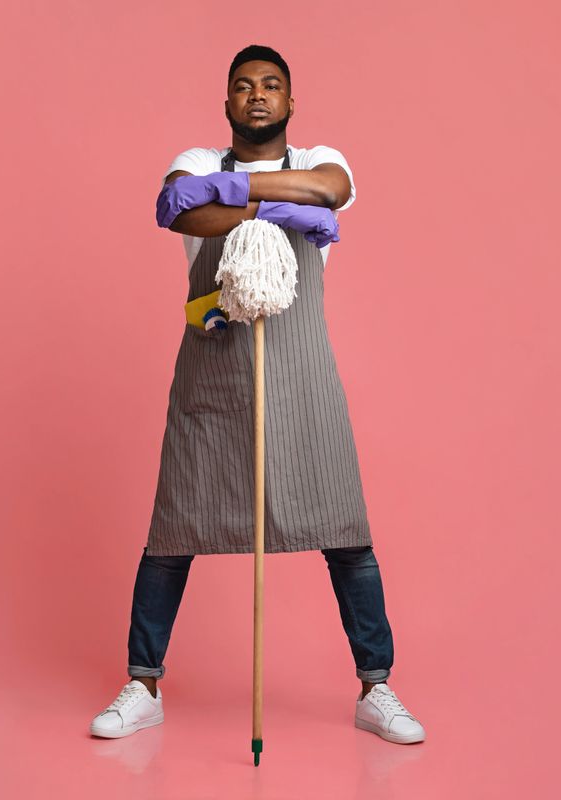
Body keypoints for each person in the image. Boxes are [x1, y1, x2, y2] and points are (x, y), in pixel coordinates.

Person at [90, 44, 425, 746]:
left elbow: (330, 190)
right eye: (243, 87)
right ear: (227, 103)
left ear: (291, 102)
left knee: (345, 531)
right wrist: (278, 203)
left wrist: (239, 199)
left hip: (303, 377)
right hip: (214, 371)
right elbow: (182, 210)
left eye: (272, 86)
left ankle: (377, 687)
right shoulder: (196, 160)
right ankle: (143, 683)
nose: (258, 97)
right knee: (175, 529)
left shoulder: (325, 154)